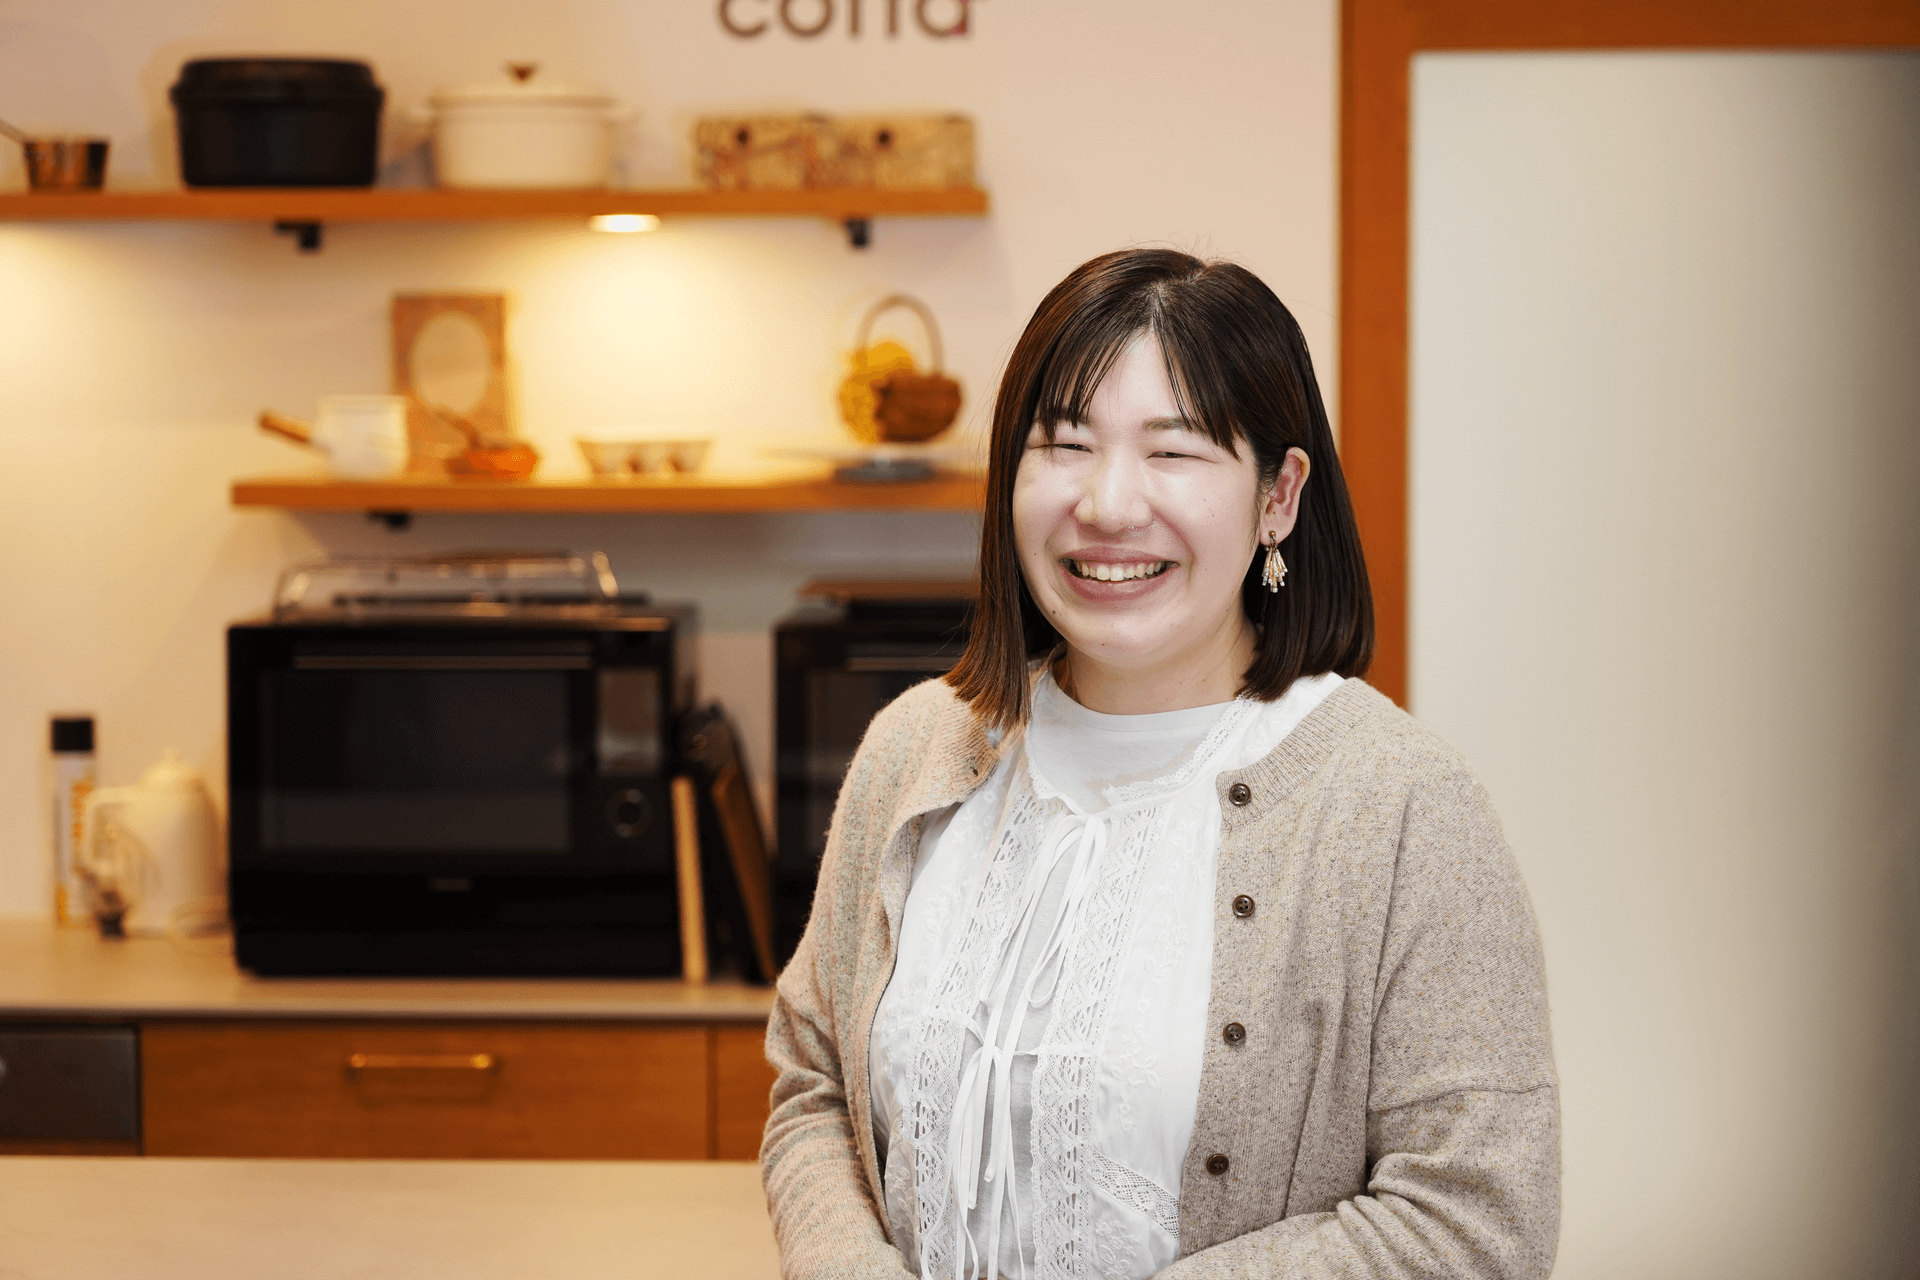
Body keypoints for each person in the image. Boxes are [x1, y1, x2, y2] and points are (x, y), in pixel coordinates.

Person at [761, 248, 1558, 1280]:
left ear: (1279, 495)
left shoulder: (1402, 806)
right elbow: (814, 1083)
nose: (1106, 503)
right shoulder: (917, 747)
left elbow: (1476, 1219)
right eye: (1064, 444)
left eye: (1173, 452)